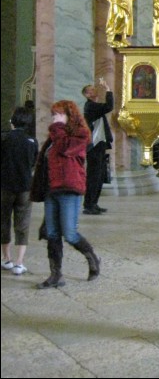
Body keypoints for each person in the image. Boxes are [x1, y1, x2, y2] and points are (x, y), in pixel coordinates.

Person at [35, 100, 101, 289]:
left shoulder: (80, 135)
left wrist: (57, 128)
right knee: (52, 233)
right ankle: (56, 275)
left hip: (69, 189)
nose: (54, 118)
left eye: (58, 114)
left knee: (70, 234)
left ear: (69, 116)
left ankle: (93, 259)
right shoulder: (55, 136)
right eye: (53, 114)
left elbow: (66, 149)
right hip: (51, 190)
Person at [1, 107, 38, 275]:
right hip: (25, 187)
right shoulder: (32, 141)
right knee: (22, 224)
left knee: (3, 222)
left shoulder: (4, 138)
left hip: (4, 186)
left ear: (13, 120)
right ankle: (19, 262)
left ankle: (6, 259)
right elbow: (33, 163)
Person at [82, 77, 114, 215]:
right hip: (94, 146)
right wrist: (108, 90)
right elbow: (109, 106)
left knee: (100, 176)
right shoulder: (90, 106)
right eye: (91, 90)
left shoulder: (95, 106)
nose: (94, 90)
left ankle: (94, 203)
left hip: (100, 145)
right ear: (86, 95)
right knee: (93, 177)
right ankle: (89, 205)